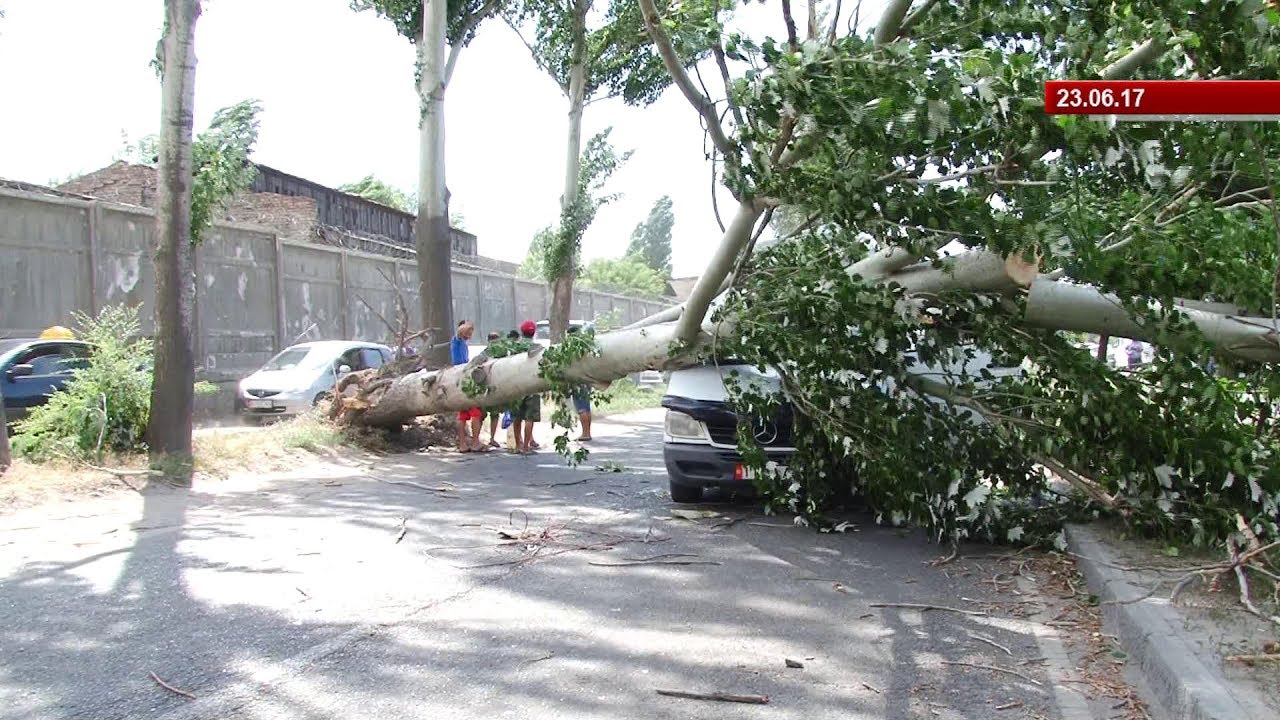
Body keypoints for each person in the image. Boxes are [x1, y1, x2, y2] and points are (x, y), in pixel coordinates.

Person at [451, 320, 487, 453]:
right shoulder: (457, 341)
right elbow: (460, 332)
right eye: (470, 331)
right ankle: (475, 442)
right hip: (464, 379)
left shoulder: (462, 344)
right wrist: (468, 325)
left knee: (462, 415)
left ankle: (463, 444)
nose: (470, 334)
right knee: (475, 413)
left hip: (459, 379)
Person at [508, 320, 542, 454]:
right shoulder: (538, 348)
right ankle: (527, 447)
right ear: (534, 333)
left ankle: (518, 445)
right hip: (532, 386)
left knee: (517, 417)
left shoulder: (514, 347)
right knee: (529, 418)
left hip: (516, 386)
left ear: (522, 332)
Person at [567, 326, 593, 441]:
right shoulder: (585, 347)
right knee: (587, 407)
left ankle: (585, 433)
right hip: (587, 379)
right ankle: (587, 432)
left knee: (581, 408)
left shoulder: (572, 349)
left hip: (578, 381)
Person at [482, 331, 505, 448]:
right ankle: (487, 437)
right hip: (487, 387)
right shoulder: (484, 354)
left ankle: (492, 438)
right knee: (483, 414)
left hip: (494, 387)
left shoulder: (500, 353)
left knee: (494, 415)